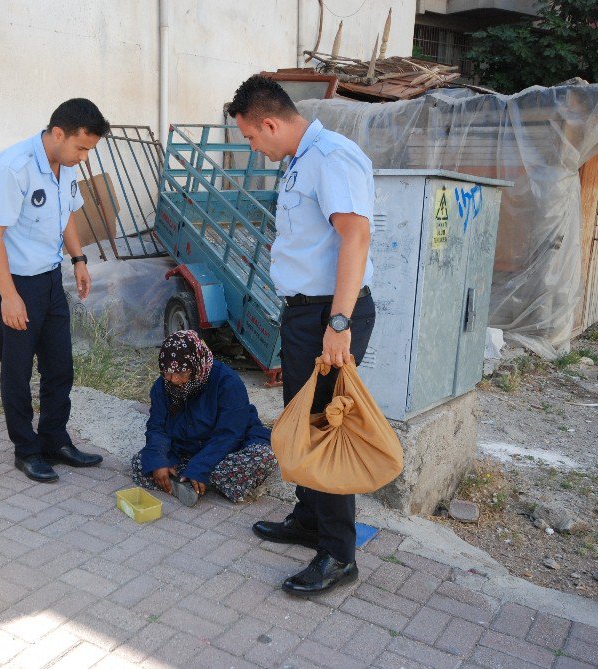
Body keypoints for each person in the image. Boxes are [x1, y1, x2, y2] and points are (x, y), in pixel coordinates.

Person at [228, 75, 377, 596]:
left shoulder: (332, 156)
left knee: (324, 429)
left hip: (330, 316)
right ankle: (310, 517)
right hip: (303, 314)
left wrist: (338, 324)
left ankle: (338, 554)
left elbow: (355, 235)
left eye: (250, 137)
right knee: (302, 419)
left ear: (269, 123)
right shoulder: (298, 161)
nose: (253, 146)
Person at [0, 98, 110, 483]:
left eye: (90, 150)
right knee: (17, 373)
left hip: (51, 279)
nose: (84, 158)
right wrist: (8, 296)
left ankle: (54, 439)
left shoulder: (65, 166)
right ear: (58, 134)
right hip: (15, 282)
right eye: (81, 147)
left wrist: (78, 259)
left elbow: (66, 211)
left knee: (59, 366)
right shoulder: (14, 167)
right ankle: (26, 449)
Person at [132, 330, 276, 505]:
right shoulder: (162, 386)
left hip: (228, 446)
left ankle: (193, 477)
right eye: (167, 373)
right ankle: (194, 481)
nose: (174, 380)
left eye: (181, 373)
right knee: (142, 463)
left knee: (263, 457)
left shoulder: (227, 382)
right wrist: (158, 460)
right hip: (185, 447)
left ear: (196, 364)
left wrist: (201, 465)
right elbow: (157, 427)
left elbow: (229, 434)